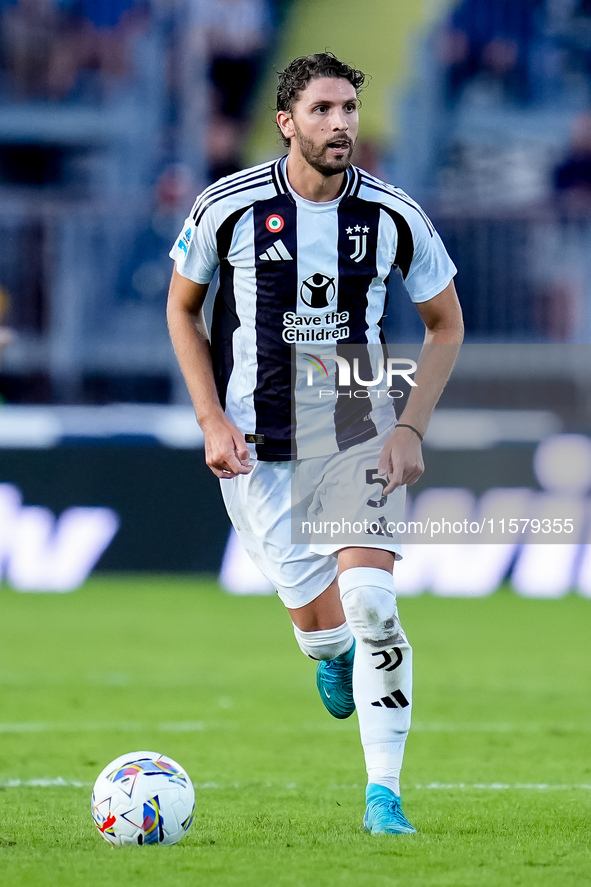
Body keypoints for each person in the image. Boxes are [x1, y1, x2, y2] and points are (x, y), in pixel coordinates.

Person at [167, 52, 463, 835]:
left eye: (349, 111)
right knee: (328, 634)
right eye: (324, 110)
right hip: (254, 446)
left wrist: (408, 426)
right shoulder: (226, 207)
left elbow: (445, 323)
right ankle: (328, 651)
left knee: (372, 605)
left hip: (352, 432)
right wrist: (210, 420)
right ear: (286, 122)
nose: (341, 125)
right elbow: (182, 310)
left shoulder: (393, 215)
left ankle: (384, 794)